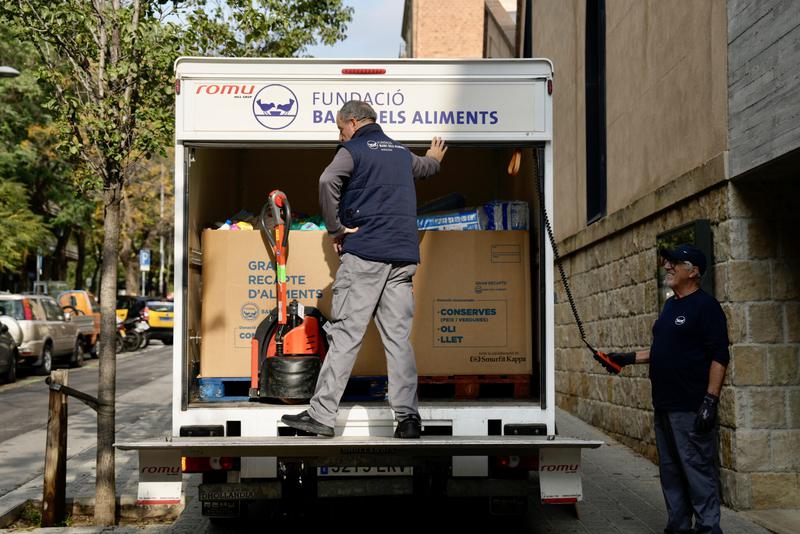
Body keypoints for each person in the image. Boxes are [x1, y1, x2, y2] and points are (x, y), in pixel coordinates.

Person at [282, 100, 447, 439]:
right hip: (402, 259)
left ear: (353, 123)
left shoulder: (353, 150)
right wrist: (434, 159)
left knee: (345, 336)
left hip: (367, 256)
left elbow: (327, 181)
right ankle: (408, 419)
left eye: (340, 129)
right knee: (398, 340)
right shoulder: (401, 153)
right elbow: (426, 169)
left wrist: (336, 229)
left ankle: (322, 416)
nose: (339, 136)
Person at [596, 244, 729, 534]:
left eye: (675, 263)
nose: (667, 266)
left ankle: (709, 529)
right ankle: (679, 527)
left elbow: (720, 356)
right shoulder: (671, 305)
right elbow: (663, 350)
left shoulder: (707, 307)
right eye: (667, 262)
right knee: (671, 472)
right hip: (665, 404)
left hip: (690, 405)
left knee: (696, 471)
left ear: (693, 272)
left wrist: (710, 400)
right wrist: (626, 359)